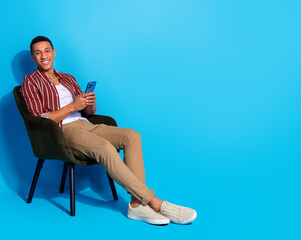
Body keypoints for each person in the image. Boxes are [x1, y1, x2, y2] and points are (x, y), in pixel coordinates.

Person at [21, 36, 197, 225]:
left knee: (132, 136)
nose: (43, 56)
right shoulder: (30, 82)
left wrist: (89, 104)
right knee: (105, 148)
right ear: (33, 57)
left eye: (47, 50)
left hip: (85, 124)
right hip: (62, 131)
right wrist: (72, 106)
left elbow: (88, 113)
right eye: (38, 53)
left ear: (54, 52)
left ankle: (136, 205)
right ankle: (156, 203)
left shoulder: (67, 78)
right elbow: (39, 119)